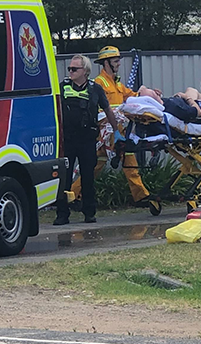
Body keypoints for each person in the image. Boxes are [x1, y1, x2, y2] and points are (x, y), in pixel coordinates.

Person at [70, 45, 155, 210]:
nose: (119, 64)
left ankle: (74, 195)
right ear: (106, 63)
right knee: (106, 164)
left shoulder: (116, 84)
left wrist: (148, 94)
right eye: (116, 61)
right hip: (105, 132)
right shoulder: (99, 83)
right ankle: (140, 196)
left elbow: (131, 95)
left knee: (103, 164)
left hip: (117, 131)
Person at [55, 55, 112, 225]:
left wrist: (116, 131)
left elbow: (108, 109)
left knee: (88, 177)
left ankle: (89, 212)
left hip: (87, 139)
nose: (70, 72)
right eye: (69, 69)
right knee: (64, 178)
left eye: (74, 69)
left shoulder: (95, 89)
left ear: (85, 71)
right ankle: (62, 214)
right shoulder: (63, 87)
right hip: (68, 140)